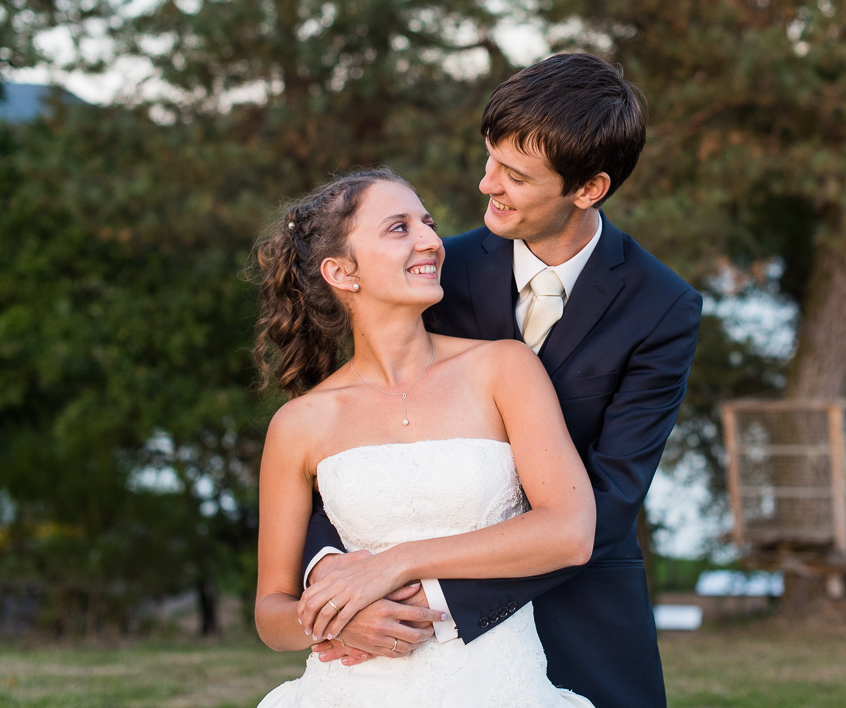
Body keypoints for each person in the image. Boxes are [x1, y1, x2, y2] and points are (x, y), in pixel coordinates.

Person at [303, 53, 702, 707]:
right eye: (489, 158)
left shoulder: (661, 306)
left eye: (514, 175)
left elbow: (608, 501)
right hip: (395, 638)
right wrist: (335, 579)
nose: (487, 183)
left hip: (581, 621)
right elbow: (336, 444)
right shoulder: (433, 272)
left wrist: (429, 595)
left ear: (589, 188)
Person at [252, 169, 597, 707]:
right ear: (342, 271)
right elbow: (272, 612)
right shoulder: (300, 423)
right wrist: (334, 626)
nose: (430, 240)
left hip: (498, 686)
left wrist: (395, 561)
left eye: (427, 222)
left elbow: (570, 530)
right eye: (398, 227)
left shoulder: (504, 368)